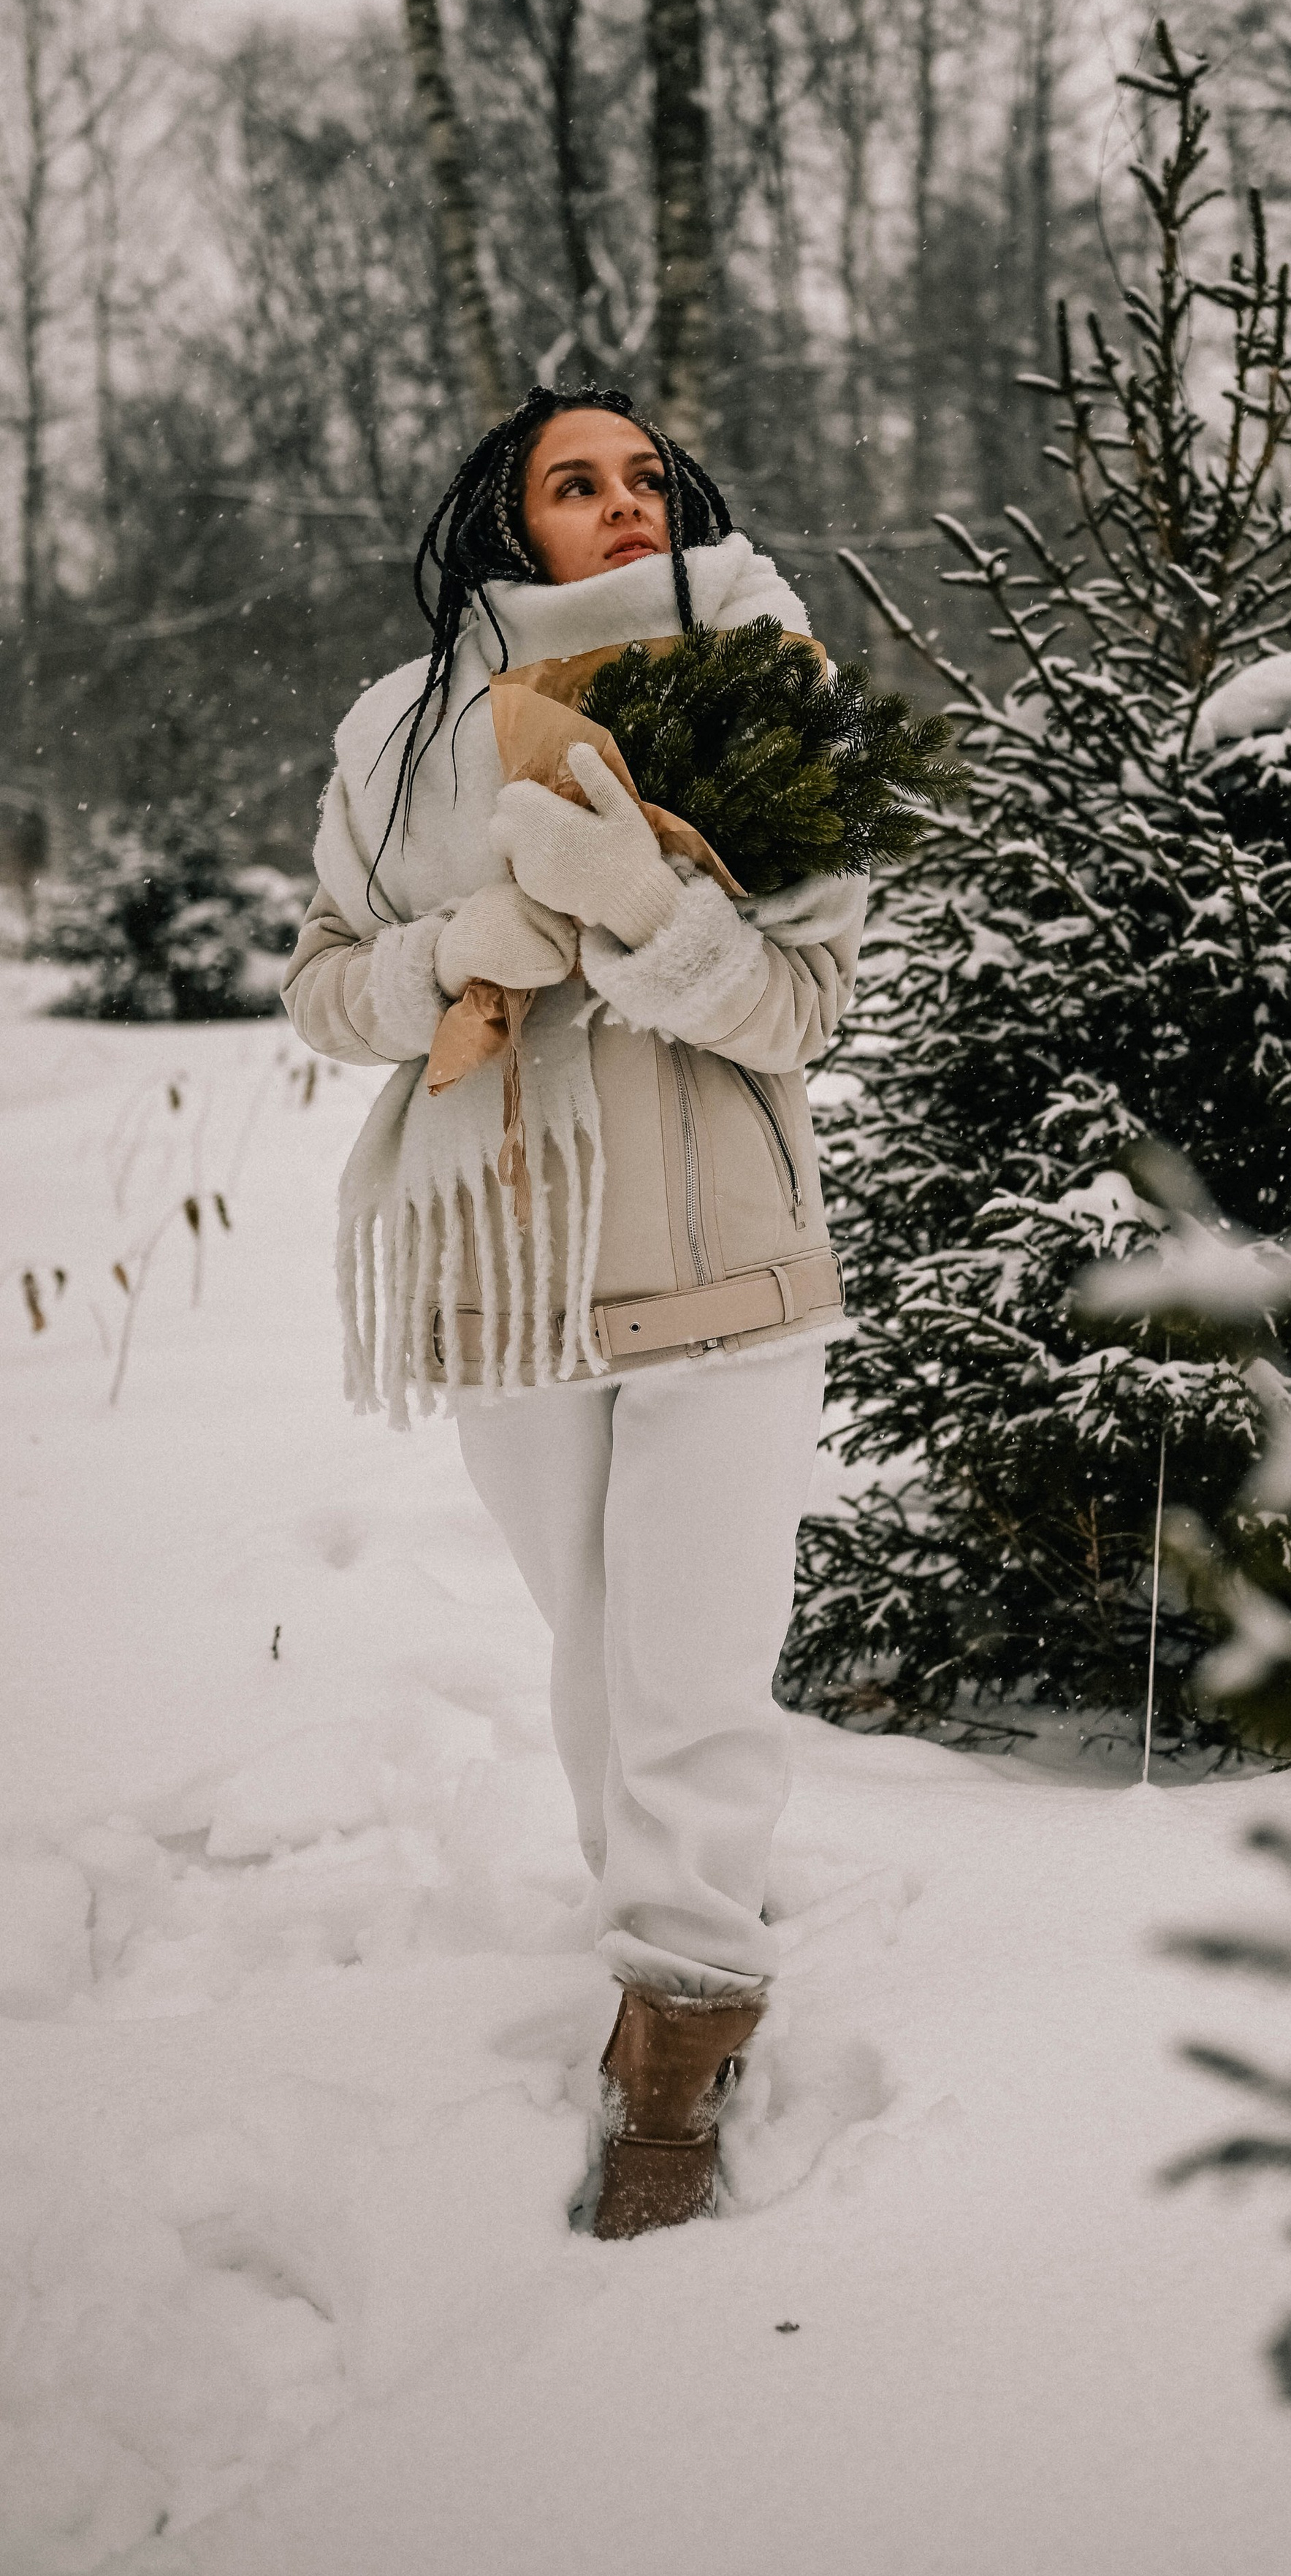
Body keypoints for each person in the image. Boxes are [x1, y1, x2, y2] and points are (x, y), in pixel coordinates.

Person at [282, 388, 865, 2238]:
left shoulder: (761, 680)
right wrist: (454, 954)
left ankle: (683, 2019)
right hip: (508, 1251)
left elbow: (807, 1008)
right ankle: (660, 1915)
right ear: (507, 521)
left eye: (646, 480)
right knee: (599, 1642)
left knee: (692, 1657)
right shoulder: (402, 734)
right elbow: (318, 986)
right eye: (576, 483)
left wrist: (636, 909)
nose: (623, 506)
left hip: (716, 1241)